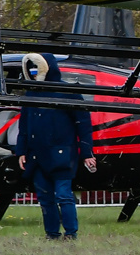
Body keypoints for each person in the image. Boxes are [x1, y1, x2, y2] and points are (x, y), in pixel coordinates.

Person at [13, 56, 96, 241]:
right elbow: (24, 126)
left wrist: (87, 153)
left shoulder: (69, 92)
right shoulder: (30, 94)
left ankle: (71, 233)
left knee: (64, 195)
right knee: (44, 198)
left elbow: (83, 124)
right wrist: (21, 151)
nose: (33, 74)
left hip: (62, 155)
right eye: (31, 71)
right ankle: (51, 234)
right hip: (36, 156)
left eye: (36, 70)